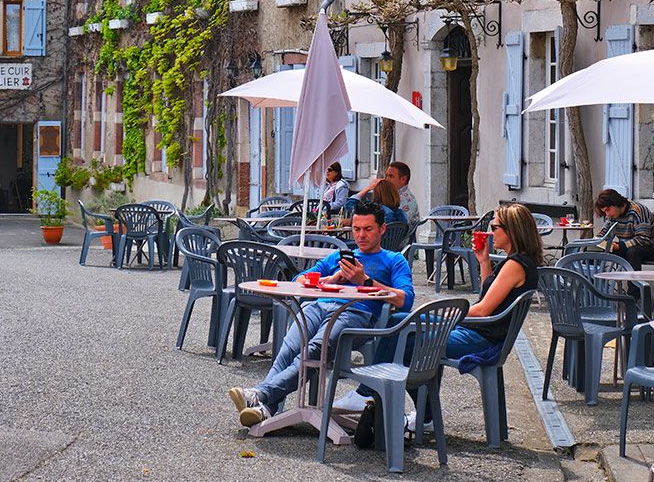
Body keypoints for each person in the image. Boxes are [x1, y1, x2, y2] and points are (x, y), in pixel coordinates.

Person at [337, 203, 542, 430]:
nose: (491, 231)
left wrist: (445, 315)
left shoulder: (515, 265)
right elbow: (489, 295)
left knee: (408, 342)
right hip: (480, 331)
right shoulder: (518, 261)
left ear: (511, 230)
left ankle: (393, 403)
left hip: (481, 339)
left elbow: (483, 310)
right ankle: (391, 402)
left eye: (495, 227)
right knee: (400, 320)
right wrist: (483, 261)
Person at [228, 201, 415, 427]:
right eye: (356, 229)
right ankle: (266, 407)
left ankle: (262, 394)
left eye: (368, 229)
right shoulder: (341, 256)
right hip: (318, 307)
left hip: (354, 313)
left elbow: (405, 300)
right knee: (289, 347)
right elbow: (300, 279)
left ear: (382, 229)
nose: (361, 235)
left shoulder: (394, 260)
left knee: (316, 349)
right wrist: (331, 279)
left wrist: (364, 281)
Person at [593, 188, 654, 270]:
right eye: (605, 212)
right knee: (592, 253)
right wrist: (597, 241)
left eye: (607, 210)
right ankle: (591, 281)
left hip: (648, 248)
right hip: (625, 246)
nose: (607, 214)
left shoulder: (637, 211)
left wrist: (620, 246)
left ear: (615, 203)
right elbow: (605, 233)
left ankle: (634, 282)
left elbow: (643, 239)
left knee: (633, 252)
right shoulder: (611, 215)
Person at [354, 161, 419, 224]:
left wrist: (367, 189)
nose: (386, 179)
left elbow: (396, 225)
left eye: (391, 176)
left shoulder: (407, 200)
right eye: (386, 176)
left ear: (403, 179)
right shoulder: (393, 195)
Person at [341, 179, 408, 224]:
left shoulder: (375, 211)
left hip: (372, 244)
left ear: (376, 194)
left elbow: (349, 205)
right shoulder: (401, 214)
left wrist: (367, 188)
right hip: (393, 244)